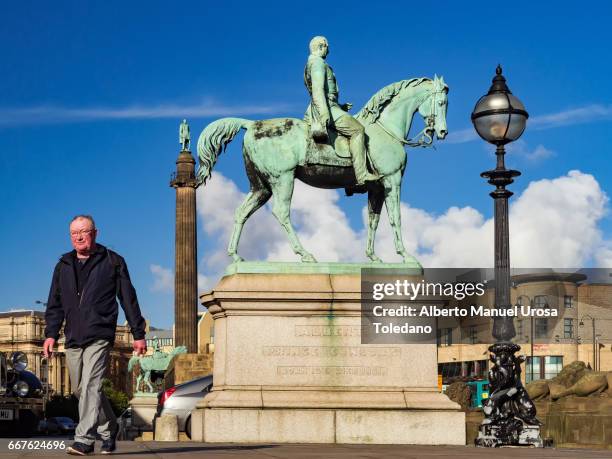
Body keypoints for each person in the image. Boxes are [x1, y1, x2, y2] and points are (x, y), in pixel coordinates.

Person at [43, 215, 147, 456]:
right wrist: (50, 335)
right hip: (72, 336)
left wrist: (138, 333)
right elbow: (54, 303)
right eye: (73, 233)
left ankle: (84, 439)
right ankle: (109, 427)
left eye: (84, 231)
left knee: (91, 385)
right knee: (81, 390)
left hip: (100, 332)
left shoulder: (113, 261)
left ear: (95, 233)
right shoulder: (63, 265)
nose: (78, 236)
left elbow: (128, 299)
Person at [303, 36, 379, 185]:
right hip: (326, 107)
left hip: (331, 106)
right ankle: (361, 175)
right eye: (327, 47)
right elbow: (318, 91)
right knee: (357, 130)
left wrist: (341, 107)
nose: (328, 50)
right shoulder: (318, 63)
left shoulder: (311, 63)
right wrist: (325, 112)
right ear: (321, 47)